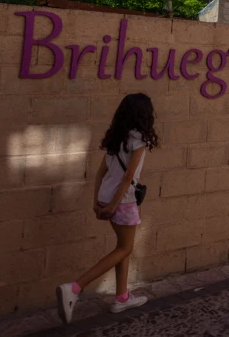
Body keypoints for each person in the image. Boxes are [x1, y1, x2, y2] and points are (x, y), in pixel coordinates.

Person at [56, 94, 159, 324]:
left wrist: (98, 202)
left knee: (122, 246)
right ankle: (74, 287)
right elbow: (128, 177)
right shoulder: (139, 140)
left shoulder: (116, 137)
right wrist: (114, 205)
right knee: (124, 248)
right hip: (123, 200)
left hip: (106, 197)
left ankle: (121, 297)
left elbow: (101, 173)